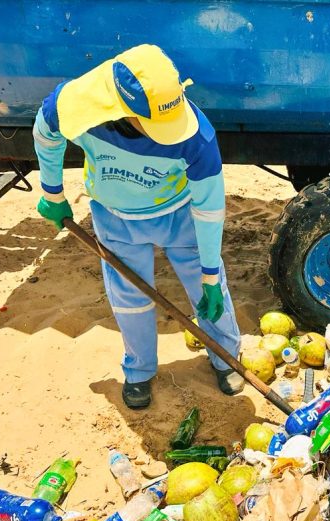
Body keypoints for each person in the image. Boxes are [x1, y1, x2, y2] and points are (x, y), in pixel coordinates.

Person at [32, 44, 243, 409]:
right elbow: (45, 132)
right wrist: (52, 192)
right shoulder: (74, 107)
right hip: (116, 220)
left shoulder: (197, 136)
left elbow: (209, 208)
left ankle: (227, 358)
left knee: (209, 293)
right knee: (129, 298)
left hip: (179, 218)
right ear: (124, 110)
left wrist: (210, 274)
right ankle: (139, 371)